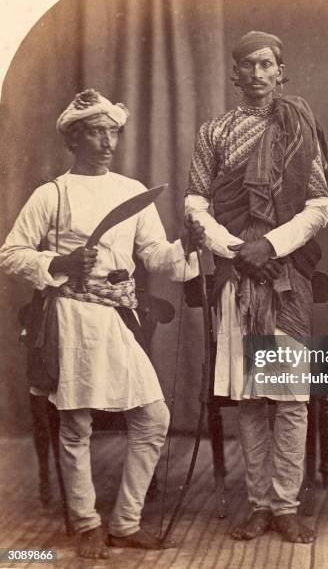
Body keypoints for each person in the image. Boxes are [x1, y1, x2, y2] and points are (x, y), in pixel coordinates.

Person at [0, 89, 205, 560]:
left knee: (153, 419)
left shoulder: (131, 192)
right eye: (96, 131)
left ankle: (126, 523)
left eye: (113, 130)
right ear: (74, 138)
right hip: (70, 315)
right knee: (75, 425)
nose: (108, 140)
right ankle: (88, 523)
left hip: (117, 318)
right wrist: (62, 262)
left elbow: (154, 256)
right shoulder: (51, 193)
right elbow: (11, 255)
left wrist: (186, 247)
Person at [185, 31, 328, 543]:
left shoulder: (298, 129)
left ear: (280, 70)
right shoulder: (216, 131)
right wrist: (235, 250)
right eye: (247, 65)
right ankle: (259, 504)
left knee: (289, 398)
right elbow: (196, 202)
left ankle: (287, 505)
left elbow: (318, 204)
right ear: (235, 74)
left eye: (266, 63)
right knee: (251, 396)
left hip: (283, 275)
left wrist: (269, 246)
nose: (257, 73)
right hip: (236, 276)